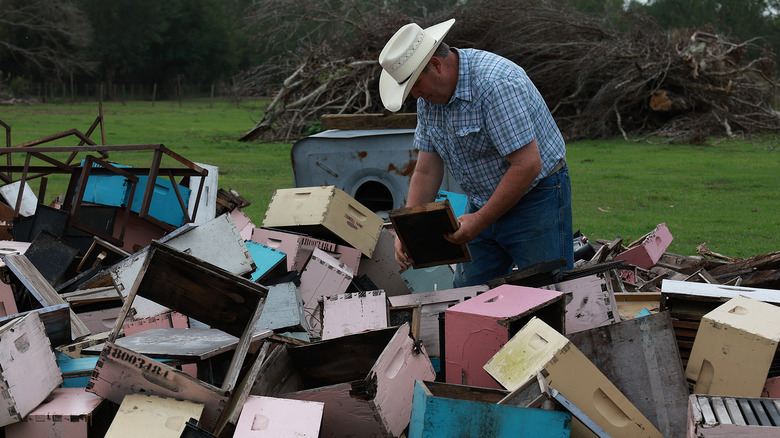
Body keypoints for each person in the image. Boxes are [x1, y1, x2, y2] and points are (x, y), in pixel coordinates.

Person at [378, 18, 574, 288]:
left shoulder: (496, 85)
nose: (415, 96)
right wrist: (409, 229)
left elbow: (527, 165)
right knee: (470, 299)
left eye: (415, 85)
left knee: (546, 293)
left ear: (436, 65)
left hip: (536, 198)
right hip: (481, 201)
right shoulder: (429, 98)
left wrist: (480, 220)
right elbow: (426, 168)